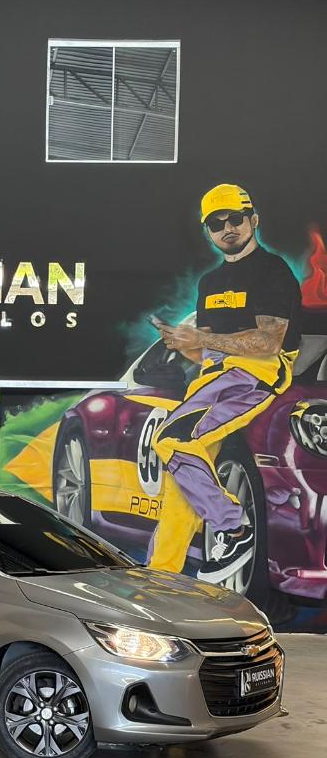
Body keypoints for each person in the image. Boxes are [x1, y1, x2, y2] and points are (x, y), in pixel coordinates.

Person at [147, 183, 302, 583]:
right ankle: (160, 580)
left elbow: (268, 342)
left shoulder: (273, 270)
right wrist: (184, 344)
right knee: (183, 483)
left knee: (172, 440)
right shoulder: (210, 283)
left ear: (254, 220)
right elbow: (209, 352)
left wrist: (202, 340)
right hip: (213, 378)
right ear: (208, 231)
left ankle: (233, 527)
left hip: (256, 372)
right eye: (216, 223)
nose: (227, 228)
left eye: (235, 218)